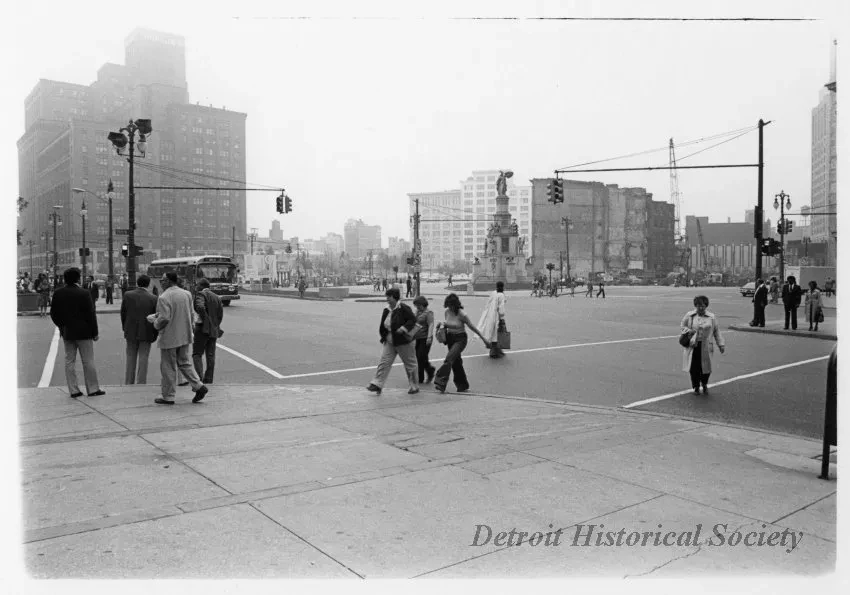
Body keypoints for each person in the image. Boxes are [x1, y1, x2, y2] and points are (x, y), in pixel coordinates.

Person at [149, 271, 209, 405]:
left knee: (168, 366)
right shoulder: (186, 294)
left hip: (169, 336)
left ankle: (168, 396)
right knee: (184, 362)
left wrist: (155, 322)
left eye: (163, 280)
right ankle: (199, 386)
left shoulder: (164, 297)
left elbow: (164, 318)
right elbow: (190, 314)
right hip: (184, 334)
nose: (161, 282)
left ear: (169, 281)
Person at [49, 267, 104, 398]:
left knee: (69, 361)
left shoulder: (58, 293)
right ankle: (92, 389)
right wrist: (95, 332)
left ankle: (73, 390)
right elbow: (91, 315)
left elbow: (53, 313)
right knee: (88, 361)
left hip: (67, 332)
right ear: (78, 278)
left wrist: (61, 325)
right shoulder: (84, 293)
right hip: (84, 332)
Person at [366, 288, 419, 395]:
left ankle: (414, 386)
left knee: (410, 364)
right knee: (384, 362)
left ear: (394, 297)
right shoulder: (386, 309)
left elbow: (413, 320)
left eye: (389, 297)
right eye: (387, 297)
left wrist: (403, 328)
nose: (387, 299)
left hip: (403, 341)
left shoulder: (403, 308)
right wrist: (384, 336)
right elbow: (383, 324)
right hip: (390, 340)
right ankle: (377, 384)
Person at [433, 293, 489, 394]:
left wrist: (484, 339)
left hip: (460, 339)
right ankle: (462, 385)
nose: (449, 307)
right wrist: (441, 326)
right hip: (450, 339)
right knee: (456, 363)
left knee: (449, 359)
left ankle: (440, 382)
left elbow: (472, 327)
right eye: (448, 305)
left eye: (451, 305)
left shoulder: (462, 314)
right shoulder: (447, 312)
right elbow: (448, 324)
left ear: (456, 304)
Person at [681, 295, 726, 395]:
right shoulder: (690, 315)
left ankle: (704, 383)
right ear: (695, 306)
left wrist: (721, 344)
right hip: (693, 345)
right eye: (698, 306)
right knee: (693, 368)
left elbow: (716, 331)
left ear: (706, 306)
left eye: (703, 306)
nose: (700, 308)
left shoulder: (712, 317)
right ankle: (696, 386)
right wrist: (689, 331)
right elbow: (682, 326)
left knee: (706, 368)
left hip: (706, 346)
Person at [120, 274, 159, 384]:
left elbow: (123, 313)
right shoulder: (153, 298)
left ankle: (129, 382)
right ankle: (141, 382)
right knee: (143, 358)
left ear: (137, 283)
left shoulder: (127, 295)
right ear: (148, 284)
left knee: (130, 358)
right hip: (146, 332)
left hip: (130, 331)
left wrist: (125, 328)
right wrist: (155, 333)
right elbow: (155, 317)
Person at [193, 278, 224, 383]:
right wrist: (214, 324)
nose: (196, 287)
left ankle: (199, 378)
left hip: (202, 328)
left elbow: (200, 307)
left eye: (197, 285)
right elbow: (220, 315)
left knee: (197, 354)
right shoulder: (217, 297)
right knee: (210, 355)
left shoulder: (201, 294)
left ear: (202, 286)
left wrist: (206, 320)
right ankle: (209, 378)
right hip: (213, 329)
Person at [411, 295, 436, 384]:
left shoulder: (428, 313)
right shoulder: (417, 312)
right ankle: (430, 370)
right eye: (416, 305)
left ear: (423, 304)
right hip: (417, 338)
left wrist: (429, 337)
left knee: (420, 357)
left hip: (425, 338)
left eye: (418, 305)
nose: (417, 307)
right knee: (421, 357)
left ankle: (420, 378)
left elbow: (431, 325)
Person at [478, 281, 506, 358]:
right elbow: (501, 308)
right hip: (497, 316)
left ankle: (497, 350)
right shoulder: (501, 295)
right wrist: (501, 317)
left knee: (493, 332)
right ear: (503, 287)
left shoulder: (493, 293)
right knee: (497, 333)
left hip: (490, 315)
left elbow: (488, 303)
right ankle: (494, 351)